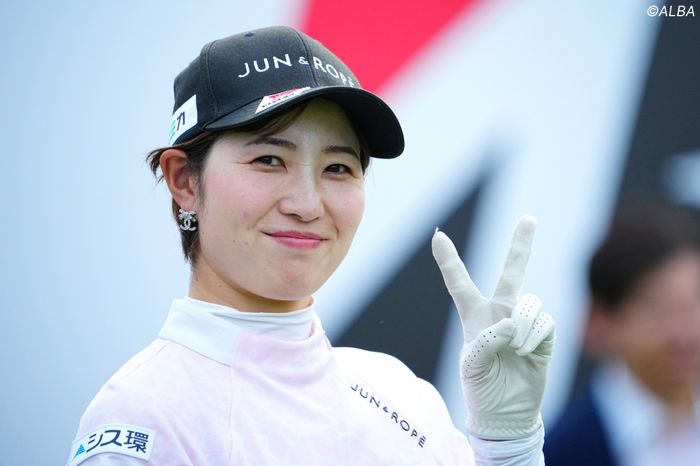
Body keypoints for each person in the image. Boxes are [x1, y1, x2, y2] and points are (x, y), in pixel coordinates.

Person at [66, 25, 555, 465]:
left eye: (338, 168)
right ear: (184, 180)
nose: (306, 204)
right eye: (268, 160)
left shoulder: (402, 394)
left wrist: (508, 447)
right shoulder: (146, 418)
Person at [544, 202, 700, 466]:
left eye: (693, 303)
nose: (685, 332)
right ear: (601, 322)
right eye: (657, 309)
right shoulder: (561, 454)